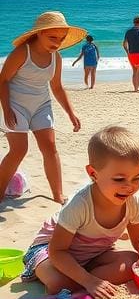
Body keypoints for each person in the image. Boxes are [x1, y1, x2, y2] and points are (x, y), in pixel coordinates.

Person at [20, 126, 139, 298]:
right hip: (51, 251)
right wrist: (89, 281)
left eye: (137, 177)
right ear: (93, 173)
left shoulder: (133, 202)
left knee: (131, 262)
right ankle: (82, 279)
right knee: (57, 282)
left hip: (94, 254)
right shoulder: (79, 204)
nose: (129, 186)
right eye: (119, 179)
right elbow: (57, 251)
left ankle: (80, 278)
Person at [0, 11, 84, 205]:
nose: (57, 42)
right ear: (39, 33)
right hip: (14, 104)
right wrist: (6, 109)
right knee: (19, 149)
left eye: (61, 39)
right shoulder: (23, 52)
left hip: (41, 106)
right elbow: (2, 80)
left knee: (50, 146)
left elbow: (56, 87)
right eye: (52, 37)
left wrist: (71, 113)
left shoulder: (56, 58)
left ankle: (57, 194)